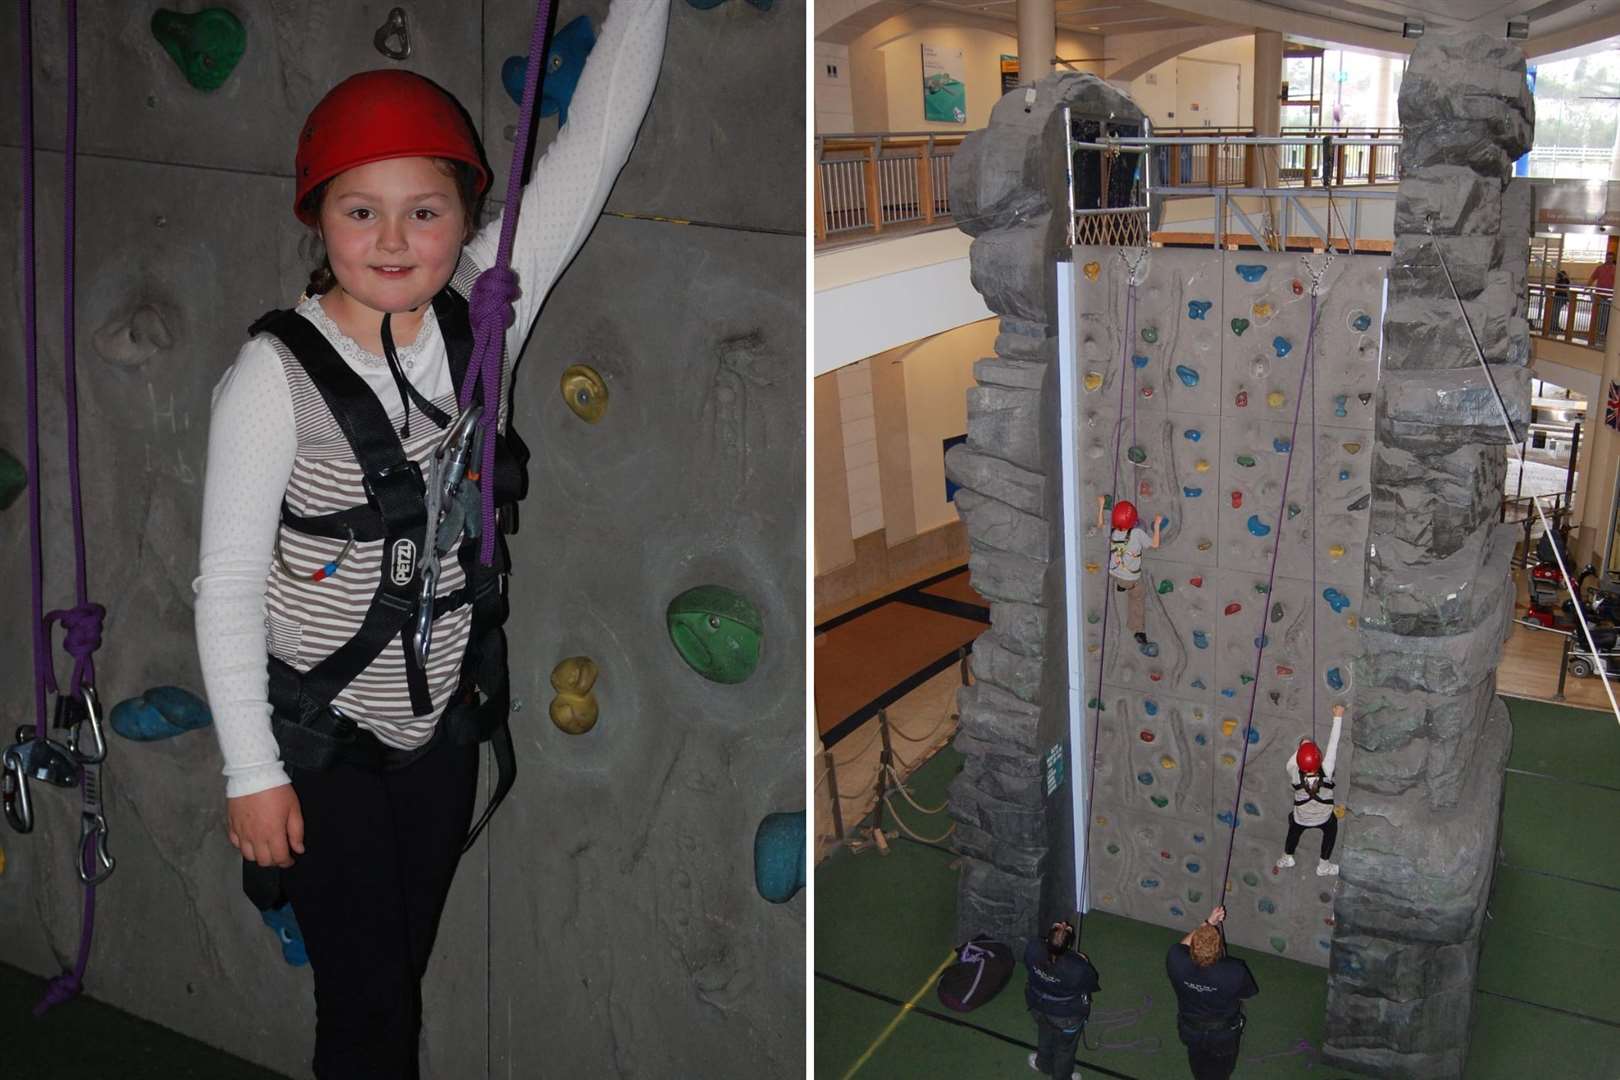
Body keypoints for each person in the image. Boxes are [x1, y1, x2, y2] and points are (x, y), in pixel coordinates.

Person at [192, 2, 669, 1075]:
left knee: (396, 976)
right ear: (319, 219)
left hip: (442, 731)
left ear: (465, 220)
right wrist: (251, 773)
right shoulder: (273, 380)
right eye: (362, 212)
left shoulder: (484, 309)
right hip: (324, 741)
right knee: (369, 1016)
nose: (395, 242)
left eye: (425, 212)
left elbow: (593, 143)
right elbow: (225, 586)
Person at [1167, 907, 1258, 1080]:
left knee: (1196, 1061)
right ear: (1219, 950)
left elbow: (1182, 945)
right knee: (1222, 1068)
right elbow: (1247, 993)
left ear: (1193, 947)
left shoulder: (1175, 959)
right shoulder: (1234, 970)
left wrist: (1208, 923)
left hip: (1190, 1028)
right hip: (1222, 1034)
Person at [1274, 704, 1345, 877]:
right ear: (1319, 758)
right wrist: (1338, 716)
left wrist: (1303, 745)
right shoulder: (1327, 769)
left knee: (1293, 830)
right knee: (1331, 831)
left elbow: (1294, 761)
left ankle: (1287, 857)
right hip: (1325, 817)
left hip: (1301, 818)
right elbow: (1333, 744)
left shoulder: (1293, 771)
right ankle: (1324, 866)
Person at [1024, 920, 1101, 1080]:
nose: (1065, 923)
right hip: (1066, 1017)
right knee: (1065, 1050)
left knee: (1044, 1034)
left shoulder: (1033, 948)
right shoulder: (1078, 967)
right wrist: (1083, 961)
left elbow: (1030, 964)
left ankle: (1043, 1064)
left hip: (1038, 1005)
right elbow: (1091, 984)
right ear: (1068, 947)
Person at [1096, 496, 1164, 651]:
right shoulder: (1137, 534)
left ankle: (1120, 586)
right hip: (1131, 578)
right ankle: (1138, 630)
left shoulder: (1110, 530)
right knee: (1137, 598)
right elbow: (1155, 544)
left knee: (1122, 579)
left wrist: (1100, 506)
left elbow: (1100, 524)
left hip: (1113, 572)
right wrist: (1157, 525)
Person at [1589, 253, 1615, 340]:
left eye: (1611, 258)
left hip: (1610, 296)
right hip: (1599, 295)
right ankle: (1597, 330)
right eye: (1608, 258)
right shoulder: (1600, 268)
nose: (1609, 259)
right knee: (1599, 313)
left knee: (1607, 314)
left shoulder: (1615, 269)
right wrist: (1587, 286)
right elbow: (1592, 278)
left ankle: (1604, 331)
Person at [1550, 268, 1570, 333]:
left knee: (1555, 312)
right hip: (1560, 298)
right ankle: (1554, 326)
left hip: (1559, 298)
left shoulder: (1564, 281)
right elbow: (1565, 288)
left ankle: (1554, 326)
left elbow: (1564, 288)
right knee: (1555, 312)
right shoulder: (1564, 281)